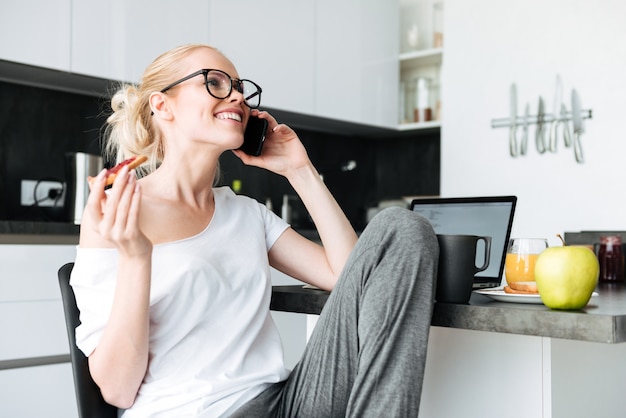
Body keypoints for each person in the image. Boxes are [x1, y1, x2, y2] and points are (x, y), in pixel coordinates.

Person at [70, 43, 439, 417]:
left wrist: (300, 170)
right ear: (162, 105)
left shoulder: (247, 214)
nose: (236, 95)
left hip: (279, 403)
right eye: (214, 82)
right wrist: (137, 257)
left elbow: (353, 276)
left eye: (238, 87)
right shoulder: (115, 213)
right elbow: (117, 390)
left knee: (401, 226)